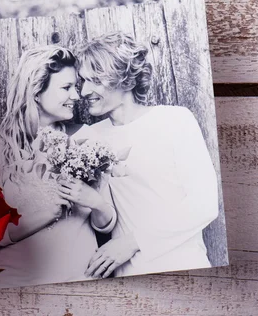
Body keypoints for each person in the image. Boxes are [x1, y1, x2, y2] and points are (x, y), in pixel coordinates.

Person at [75, 32, 219, 279]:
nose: (84, 91)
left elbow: (204, 204)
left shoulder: (175, 120)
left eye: (95, 80)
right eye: (83, 81)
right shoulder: (92, 137)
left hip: (184, 265)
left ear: (126, 80)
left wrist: (132, 242)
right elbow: (103, 220)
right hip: (128, 275)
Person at [0, 45, 117, 289]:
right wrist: (44, 215)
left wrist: (94, 201)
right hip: (18, 287)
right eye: (66, 87)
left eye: (76, 86)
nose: (76, 95)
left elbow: (107, 221)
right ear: (37, 91)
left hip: (82, 282)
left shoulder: (87, 139)